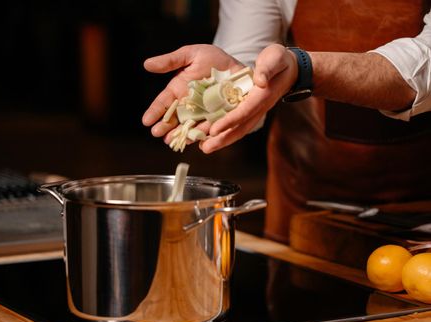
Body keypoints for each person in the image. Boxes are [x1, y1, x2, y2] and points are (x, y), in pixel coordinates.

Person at [142, 0, 431, 243]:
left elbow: (423, 65)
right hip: (305, 197)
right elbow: (248, 62)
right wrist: (227, 85)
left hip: (422, 202)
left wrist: (303, 69)